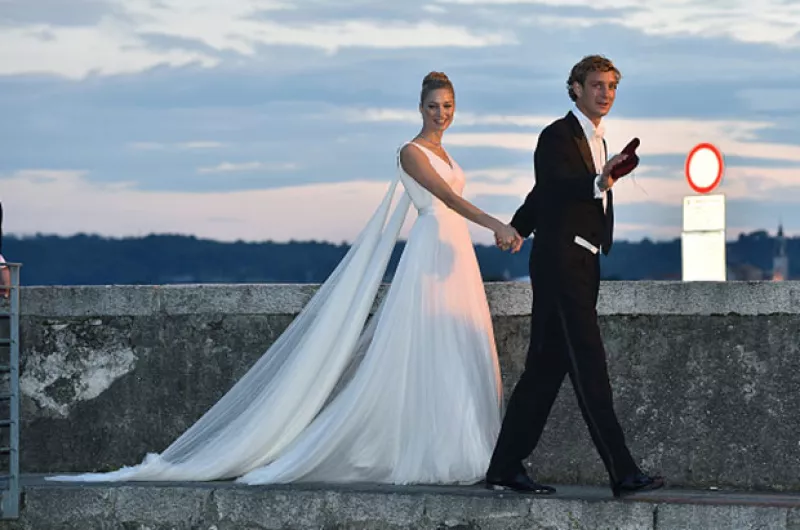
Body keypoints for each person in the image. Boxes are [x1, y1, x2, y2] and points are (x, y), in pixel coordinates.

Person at [48, 72, 524, 485]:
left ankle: (462, 447)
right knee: (427, 349)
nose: (441, 114)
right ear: (418, 108)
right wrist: (496, 224)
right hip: (430, 248)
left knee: (457, 349)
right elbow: (445, 198)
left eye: (448, 107)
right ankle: (427, 452)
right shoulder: (410, 152)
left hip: (455, 253)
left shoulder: (448, 150)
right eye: (433, 107)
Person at [485, 55, 665, 497]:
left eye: (611, 86)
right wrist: (598, 181)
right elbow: (558, 185)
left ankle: (505, 467)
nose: (606, 93)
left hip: (584, 265)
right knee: (590, 363)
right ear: (576, 89)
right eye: (597, 85)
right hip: (560, 264)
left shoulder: (600, 141)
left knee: (544, 371)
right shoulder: (556, 135)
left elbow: (540, 194)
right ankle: (623, 471)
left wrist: (518, 227)